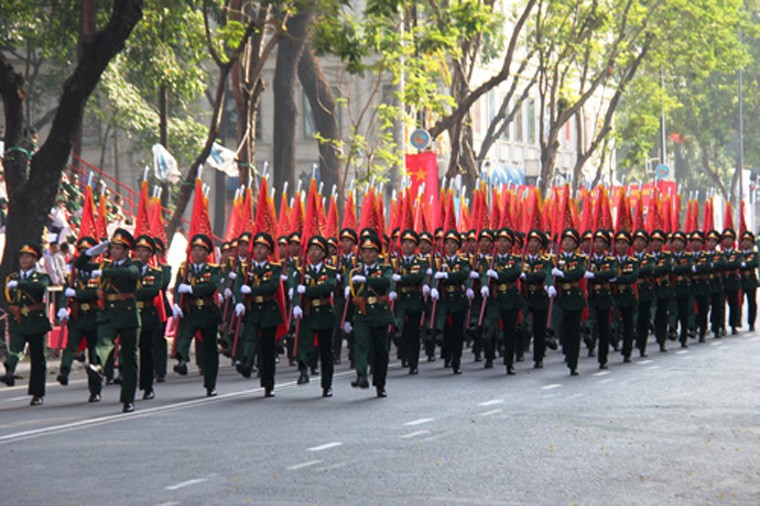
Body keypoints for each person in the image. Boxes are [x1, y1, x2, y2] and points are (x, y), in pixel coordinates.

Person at [78, 229, 141, 413]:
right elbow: (79, 264)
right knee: (103, 341)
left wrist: (104, 271)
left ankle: (128, 399)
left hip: (128, 314)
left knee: (129, 359)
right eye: (111, 247)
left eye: (117, 248)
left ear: (126, 250)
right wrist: (92, 252)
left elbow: (128, 274)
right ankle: (97, 364)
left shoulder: (134, 264)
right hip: (108, 314)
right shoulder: (105, 265)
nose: (113, 251)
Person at [171, 234, 223, 397]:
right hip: (191, 311)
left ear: (207, 253)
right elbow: (179, 288)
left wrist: (191, 289)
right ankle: (182, 361)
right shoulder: (184, 269)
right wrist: (177, 304)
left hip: (207, 311)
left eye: (200, 250)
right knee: (183, 338)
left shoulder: (213, 270)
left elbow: (211, 287)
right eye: (194, 249)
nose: (196, 253)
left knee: (209, 350)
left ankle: (210, 383)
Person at [1, 242, 52, 406]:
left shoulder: (41, 276)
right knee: (15, 348)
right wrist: (9, 307)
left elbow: (39, 288)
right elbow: (5, 297)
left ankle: (37, 393)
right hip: (18, 321)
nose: (24, 260)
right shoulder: (12, 278)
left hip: (36, 321)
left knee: (38, 359)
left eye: (28, 257)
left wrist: (20, 284)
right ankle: (9, 371)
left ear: (34, 260)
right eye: (22, 257)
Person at [234, 232, 284, 397]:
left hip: (268, 310)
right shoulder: (245, 267)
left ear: (269, 251)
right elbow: (238, 285)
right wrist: (239, 300)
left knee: (267, 349)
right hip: (252, 309)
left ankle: (268, 383)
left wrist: (253, 290)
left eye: (263, 247)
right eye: (256, 247)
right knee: (248, 338)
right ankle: (246, 363)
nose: (259, 250)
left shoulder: (275, 268)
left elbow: (273, 286)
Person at [346, 234, 395, 397]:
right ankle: (361, 374)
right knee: (360, 343)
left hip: (379, 313)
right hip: (362, 313)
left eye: (371, 251)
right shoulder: (354, 271)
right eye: (364, 251)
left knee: (380, 350)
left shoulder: (385, 269)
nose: (367, 254)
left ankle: (380, 384)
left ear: (376, 254)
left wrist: (366, 279)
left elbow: (385, 283)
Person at [56, 237, 103, 402]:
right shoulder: (73, 273)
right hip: (78, 317)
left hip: (94, 316)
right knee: (70, 346)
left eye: (87, 251)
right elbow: (64, 292)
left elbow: (97, 292)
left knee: (94, 354)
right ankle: (64, 371)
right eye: (81, 251)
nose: (84, 254)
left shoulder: (99, 270)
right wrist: (62, 307)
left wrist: (78, 294)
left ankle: (95, 390)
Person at [290, 235, 336, 397]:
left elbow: (328, 287)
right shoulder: (301, 272)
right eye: (311, 249)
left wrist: (307, 291)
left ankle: (327, 385)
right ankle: (303, 370)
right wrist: (296, 304)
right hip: (308, 314)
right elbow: (295, 289)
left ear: (323, 254)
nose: (314, 253)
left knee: (325, 351)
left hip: (324, 313)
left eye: (317, 250)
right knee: (304, 345)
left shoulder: (330, 271)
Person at [481, 228, 522, 375]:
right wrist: (484, 284)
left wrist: (498, 274)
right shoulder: (489, 260)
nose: (502, 243)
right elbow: (483, 274)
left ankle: (509, 362)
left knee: (509, 331)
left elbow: (515, 272)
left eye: (505, 241)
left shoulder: (515, 259)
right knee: (490, 326)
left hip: (510, 297)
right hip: (495, 298)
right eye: (499, 240)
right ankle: (489, 356)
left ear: (510, 244)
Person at [431, 230, 472, 374]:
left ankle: (457, 360)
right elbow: (431, 276)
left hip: (457, 299)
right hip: (443, 299)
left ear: (457, 246)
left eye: (452, 243)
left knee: (457, 332)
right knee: (445, 331)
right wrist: (432, 287)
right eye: (447, 243)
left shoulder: (462, 261)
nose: (449, 246)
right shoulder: (437, 261)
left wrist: (447, 275)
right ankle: (447, 355)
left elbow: (464, 273)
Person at [390, 229, 429, 375]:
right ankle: (403, 355)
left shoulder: (421, 262)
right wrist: (392, 289)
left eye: (410, 243)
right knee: (399, 329)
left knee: (413, 333)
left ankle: (414, 363)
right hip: (400, 300)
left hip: (414, 300)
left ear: (415, 246)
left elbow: (419, 276)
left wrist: (402, 279)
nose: (407, 246)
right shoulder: (395, 262)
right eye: (405, 243)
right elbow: (390, 277)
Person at [552, 228, 587, 376]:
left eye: (570, 241)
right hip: (560, 298)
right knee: (562, 327)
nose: (567, 243)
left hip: (573, 297)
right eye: (565, 240)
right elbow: (548, 273)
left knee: (573, 331)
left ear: (575, 244)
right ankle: (564, 348)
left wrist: (563, 274)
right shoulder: (554, 259)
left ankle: (573, 362)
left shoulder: (579, 259)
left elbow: (579, 272)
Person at [133, 235, 163, 400]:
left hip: (147, 316)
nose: (140, 253)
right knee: (128, 351)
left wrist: (131, 293)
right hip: (130, 315)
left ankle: (147, 385)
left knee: (146, 352)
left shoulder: (155, 273)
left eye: (144, 250)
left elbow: (152, 291)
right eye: (137, 250)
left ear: (150, 254)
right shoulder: (128, 270)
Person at [521, 229, 555, 369]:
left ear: (541, 245)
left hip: (540, 296)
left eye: (536, 241)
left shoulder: (546, 260)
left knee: (539, 329)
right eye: (531, 241)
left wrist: (528, 277)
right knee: (521, 323)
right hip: (525, 296)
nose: (532, 244)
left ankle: (538, 357)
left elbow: (544, 274)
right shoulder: (522, 259)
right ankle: (520, 349)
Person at [584, 230, 617, 369]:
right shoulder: (586, 260)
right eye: (596, 242)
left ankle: (603, 358)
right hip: (591, 296)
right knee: (591, 322)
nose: (597, 244)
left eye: (601, 242)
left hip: (604, 296)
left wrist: (593, 275)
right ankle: (590, 342)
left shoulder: (610, 260)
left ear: (606, 245)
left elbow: (611, 272)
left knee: (604, 328)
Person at [612, 231, 638, 362]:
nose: (620, 246)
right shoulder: (611, 261)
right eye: (618, 243)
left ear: (628, 245)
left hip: (627, 295)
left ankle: (627, 351)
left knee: (628, 324)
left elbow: (632, 277)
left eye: (623, 243)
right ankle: (615, 340)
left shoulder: (632, 261)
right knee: (614, 320)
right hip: (615, 295)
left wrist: (616, 279)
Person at [333, 228, 358, 365]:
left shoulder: (357, 259)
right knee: (337, 325)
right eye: (343, 241)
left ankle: (353, 355)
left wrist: (345, 280)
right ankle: (335, 354)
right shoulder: (336, 259)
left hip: (353, 296)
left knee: (353, 326)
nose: (345, 244)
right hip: (339, 296)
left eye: (348, 241)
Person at [632, 229, 655, 356]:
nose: (638, 243)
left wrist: (634, 272)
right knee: (633, 317)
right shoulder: (630, 257)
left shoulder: (649, 258)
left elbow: (649, 268)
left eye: (642, 241)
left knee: (644, 319)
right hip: (632, 292)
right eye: (636, 240)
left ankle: (642, 345)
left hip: (645, 292)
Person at [650, 230, 672, 352]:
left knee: (662, 315)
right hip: (650, 289)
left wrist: (652, 271)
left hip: (663, 290)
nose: (656, 244)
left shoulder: (666, 256)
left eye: (659, 241)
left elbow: (667, 267)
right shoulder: (647, 256)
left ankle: (661, 340)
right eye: (654, 241)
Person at [690, 231, 712, 342]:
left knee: (703, 310)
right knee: (692, 309)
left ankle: (702, 331)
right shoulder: (687, 256)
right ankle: (693, 328)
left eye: (698, 242)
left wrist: (695, 269)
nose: (695, 244)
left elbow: (708, 267)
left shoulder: (706, 256)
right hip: (691, 286)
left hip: (703, 287)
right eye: (693, 242)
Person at [721, 228, 742, 335]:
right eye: (725, 239)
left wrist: (726, 266)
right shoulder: (720, 254)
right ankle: (722, 326)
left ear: (733, 240)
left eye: (730, 239)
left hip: (733, 282)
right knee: (721, 306)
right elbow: (720, 265)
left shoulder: (737, 253)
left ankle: (733, 325)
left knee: (733, 304)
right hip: (723, 281)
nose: (727, 241)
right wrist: (729, 266)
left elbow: (737, 264)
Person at [739, 231, 758, 332]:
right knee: (738, 301)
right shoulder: (738, 254)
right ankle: (737, 321)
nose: (746, 243)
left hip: (751, 281)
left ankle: (751, 323)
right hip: (741, 280)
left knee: (752, 302)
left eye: (748, 241)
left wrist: (743, 265)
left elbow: (754, 263)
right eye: (744, 241)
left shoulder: (754, 254)